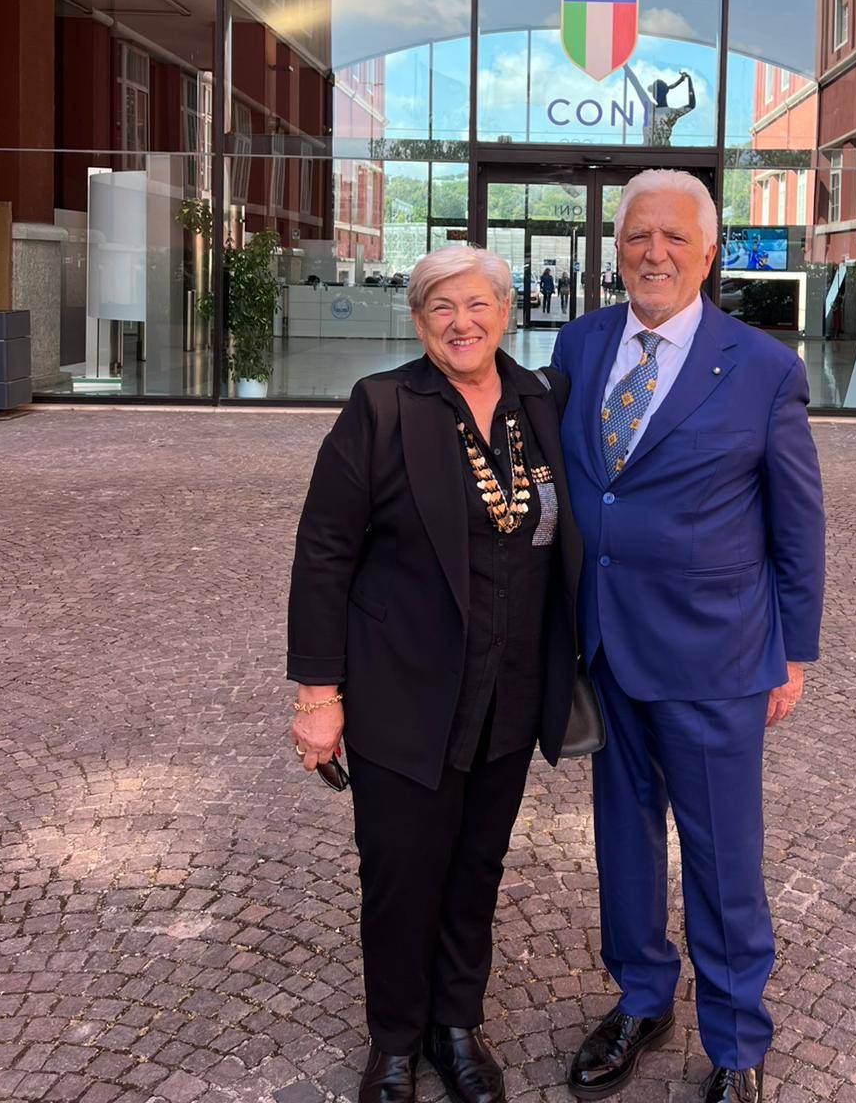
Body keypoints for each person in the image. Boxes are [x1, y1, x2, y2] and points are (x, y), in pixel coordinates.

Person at [551, 169, 825, 1103]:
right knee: (624, 844)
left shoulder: (761, 367)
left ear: (708, 253)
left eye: (674, 237)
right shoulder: (581, 344)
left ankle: (738, 1042)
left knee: (721, 856)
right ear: (616, 249)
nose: (654, 253)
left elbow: (798, 522)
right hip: (605, 645)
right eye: (638, 236)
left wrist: (793, 651)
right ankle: (641, 998)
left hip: (716, 655)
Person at [286, 246, 582, 1103]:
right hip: (403, 692)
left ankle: (456, 1025)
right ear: (418, 321)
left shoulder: (542, 401)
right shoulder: (382, 407)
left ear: (506, 311)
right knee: (399, 874)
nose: (462, 322)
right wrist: (318, 695)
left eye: (478, 304)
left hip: (510, 690)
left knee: (477, 866)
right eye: (441, 307)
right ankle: (394, 1040)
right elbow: (323, 552)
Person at [623, 66, 697, 147]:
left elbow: (636, 84)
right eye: (654, 93)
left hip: (656, 151)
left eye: (656, 92)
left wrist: (689, 80)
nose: (654, 95)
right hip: (654, 151)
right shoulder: (670, 112)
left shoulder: (655, 109)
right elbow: (691, 105)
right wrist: (625, 67)